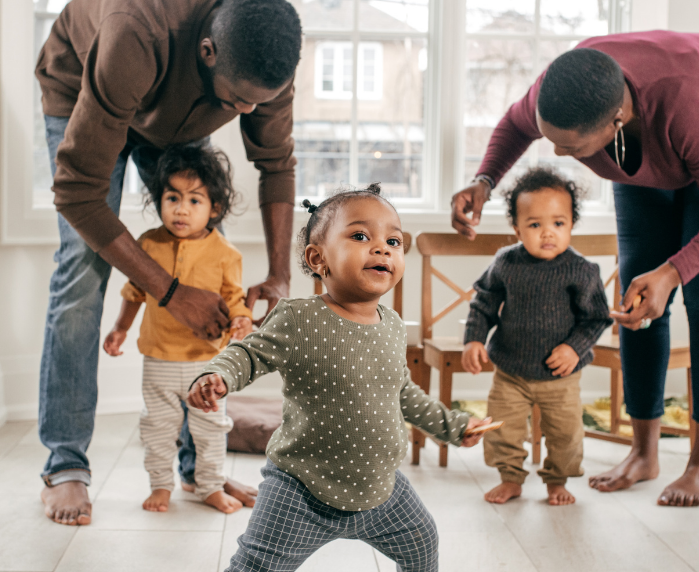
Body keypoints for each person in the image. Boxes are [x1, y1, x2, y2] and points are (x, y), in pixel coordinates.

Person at [450, 31, 699, 507]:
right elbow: (515, 123)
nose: (556, 154)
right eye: (553, 139)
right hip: (653, 147)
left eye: (570, 147)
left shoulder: (687, 106)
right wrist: (485, 180)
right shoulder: (564, 84)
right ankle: (643, 452)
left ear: (616, 120)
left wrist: (673, 271)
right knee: (637, 294)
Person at [35, 0, 302, 525]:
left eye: (258, 103)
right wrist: (171, 292)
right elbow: (77, 193)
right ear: (208, 52)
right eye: (239, 101)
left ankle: (199, 465)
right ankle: (65, 465)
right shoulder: (135, 34)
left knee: (206, 262)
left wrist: (279, 273)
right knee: (83, 272)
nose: (247, 114)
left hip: (180, 104)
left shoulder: (268, 50)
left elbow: (276, 162)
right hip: (86, 88)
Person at [187, 186, 493, 572]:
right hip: (301, 491)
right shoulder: (299, 319)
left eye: (393, 241)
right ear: (319, 259)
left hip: (381, 489)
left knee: (422, 543)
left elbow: (402, 393)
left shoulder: (393, 326)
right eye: (361, 236)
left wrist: (453, 426)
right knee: (256, 566)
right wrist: (219, 374)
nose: (382, 248)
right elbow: (248, 353)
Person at [102, 144, 253, 513]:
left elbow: (234, 298)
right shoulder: (148, 244)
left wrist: (242, 319)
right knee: (157, 430)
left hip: (208, 365)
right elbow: (134, 292)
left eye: (195, 200)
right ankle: (161, 486)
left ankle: (210, 486)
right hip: (158, 360)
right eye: (172, 197)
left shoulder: (226, 254)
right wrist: (121, 328)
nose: (181, 209)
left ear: (214, 209)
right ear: (159, 201)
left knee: (210, 430)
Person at [461, 167, 612, 506]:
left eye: (558, 223)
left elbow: (597, 318)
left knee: (565, 434)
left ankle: (557, 481)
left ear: (572, 223)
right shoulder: (506, 262)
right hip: (510, 370)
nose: (548, 233)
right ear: (516, 228)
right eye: (534, 225)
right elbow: (484, 302)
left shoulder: (581, 270)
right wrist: (473, 339)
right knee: (502, 429)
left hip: (560, 376)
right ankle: (510, 478)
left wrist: (574, 349)